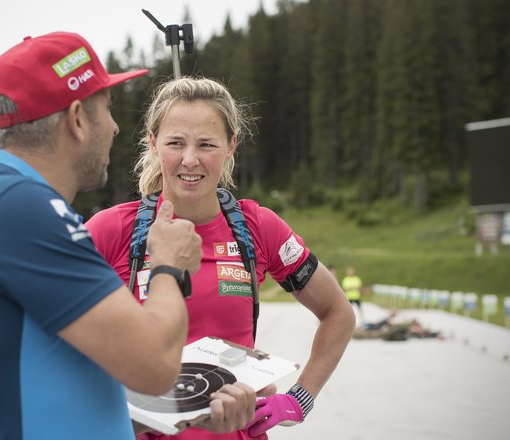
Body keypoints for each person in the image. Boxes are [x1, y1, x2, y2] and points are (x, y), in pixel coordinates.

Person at [0, 32, 256, 440]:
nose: (113, 127)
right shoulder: (18, 210)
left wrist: (193, 410)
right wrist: (167, 264)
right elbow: (155, 364)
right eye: (106, 109)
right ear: (76, 119)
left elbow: (56, 381)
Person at [86, 77, 356, 439]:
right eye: (175, 143)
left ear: (231, 145)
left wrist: (299, 399)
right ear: (152, 142)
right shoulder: (112, 230)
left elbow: (338, 312)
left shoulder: (257, 226)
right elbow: (48, 342)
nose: (190, 160)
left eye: (207, 144)